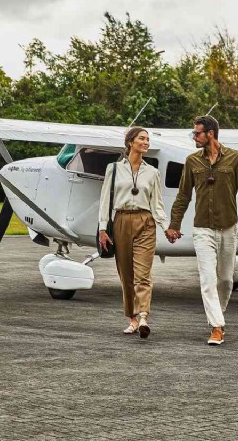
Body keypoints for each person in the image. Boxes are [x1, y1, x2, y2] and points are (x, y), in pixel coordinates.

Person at [166, 115, 238, 346]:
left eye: (197, 133)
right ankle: (216, 327)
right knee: (207, 279)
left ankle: (218, 316)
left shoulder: (235, 158)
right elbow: (183, 195)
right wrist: (174, 225)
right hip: (202, 229)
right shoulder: (192, 161)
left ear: (210, 134)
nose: (194, 137)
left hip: (228, 228)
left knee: (225, 280)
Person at [98, 127, 169, 339]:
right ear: (130, 142)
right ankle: (132, 319)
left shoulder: (153, 172)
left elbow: (157, 204)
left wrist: (166, 227)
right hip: (120, 220)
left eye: (148, 139)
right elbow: (105, 200)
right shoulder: (113, 169)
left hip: (145, 221)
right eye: (142, 138)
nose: (146, 142)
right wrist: (103, 227)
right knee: (126, 274)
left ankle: (144, 316)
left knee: (143, 273)